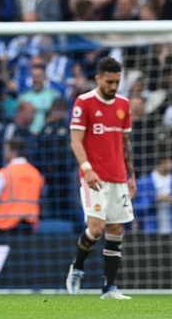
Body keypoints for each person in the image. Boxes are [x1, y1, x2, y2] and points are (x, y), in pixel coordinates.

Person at [66, 57, 135, 299]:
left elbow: (125, 143)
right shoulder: (83, 103)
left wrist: (131, 175)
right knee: (96, 229)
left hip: (118, 176)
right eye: (109, 81)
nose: (114, 86)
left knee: (116, 229)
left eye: (117, 81)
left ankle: (109, 288)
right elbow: (76, 140)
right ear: (98, 78)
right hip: (94, 177)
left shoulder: (124, 105)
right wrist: (87, 168)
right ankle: (77, 267)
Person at [0, 137, 45, 235]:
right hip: (29, 226)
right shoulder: (36, 174)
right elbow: (41, 197)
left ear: (13, 152)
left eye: (6, 150)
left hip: (5, 225)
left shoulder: (5, 173)